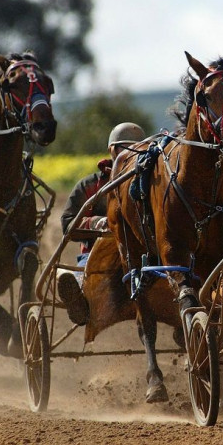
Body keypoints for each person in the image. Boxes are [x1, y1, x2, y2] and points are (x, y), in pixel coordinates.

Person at [57, 122, 145, 325]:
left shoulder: (150, 184)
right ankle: (79, 298)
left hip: (140, 255)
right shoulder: (90, 186)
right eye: (123, 148)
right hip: (97, 254)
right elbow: (68, 224)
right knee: (88, 268)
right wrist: (97, 223)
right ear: (112, 150)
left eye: (136, 149)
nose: (129, 155)